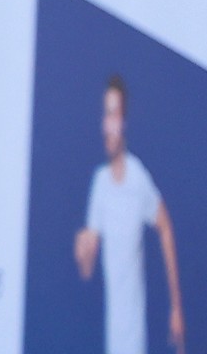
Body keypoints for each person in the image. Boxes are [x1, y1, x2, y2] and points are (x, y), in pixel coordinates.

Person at [72, 77, 184, 354]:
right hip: (111, 339)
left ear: (124, 122)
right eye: (105, 114)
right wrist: (82, 250)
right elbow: (87, 271)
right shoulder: (100, 183)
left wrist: (176, 308)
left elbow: (165, 226)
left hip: (134, 340)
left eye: (114, 114)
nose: (108, 125)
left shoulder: (138, 179)